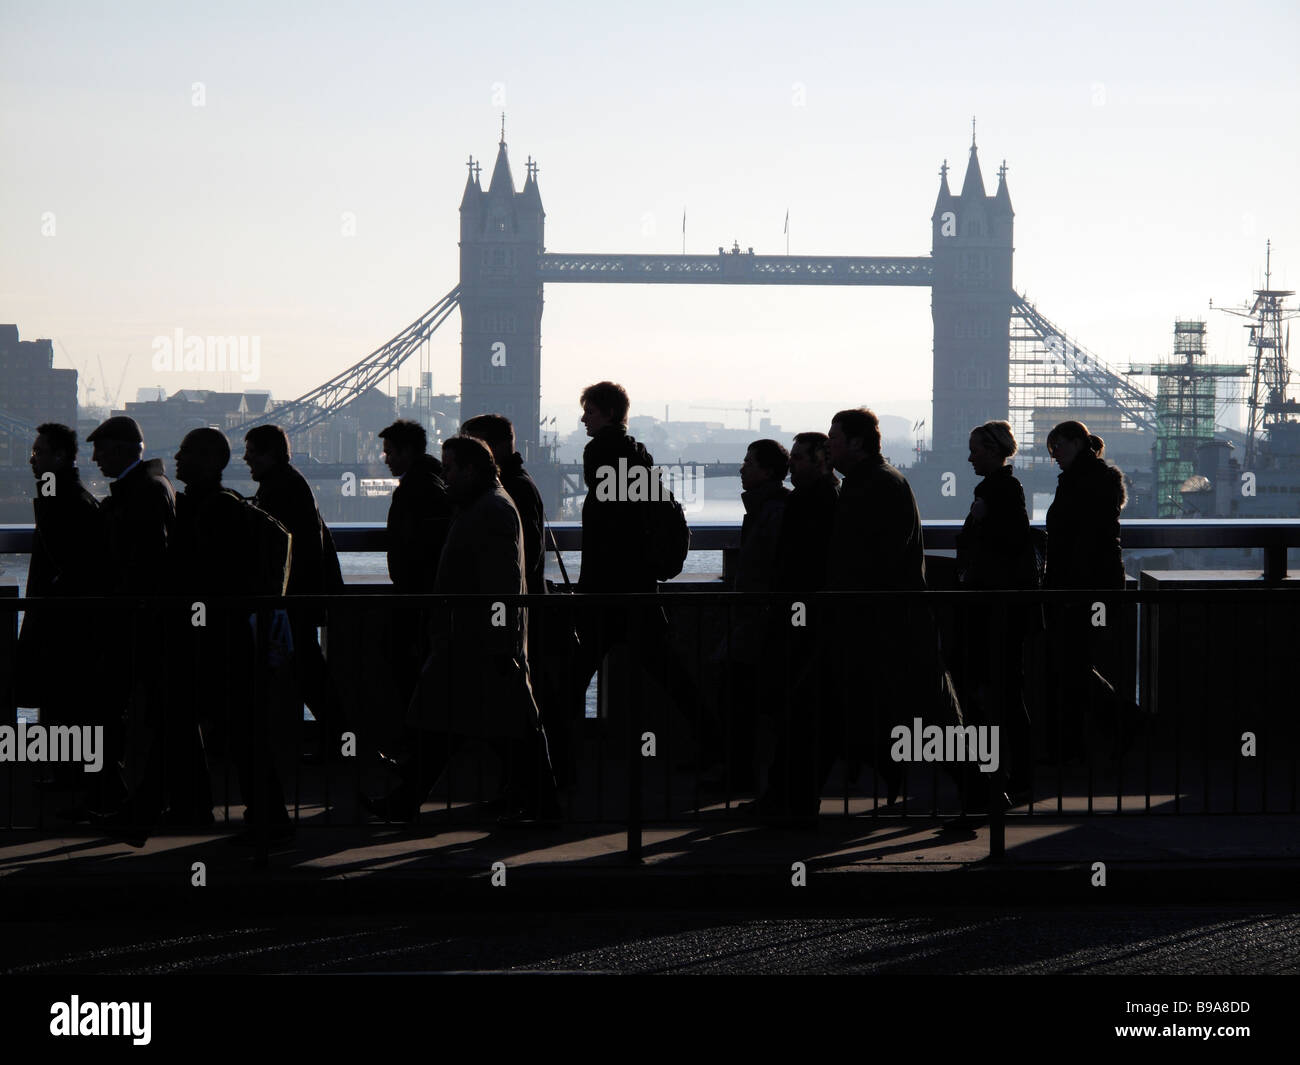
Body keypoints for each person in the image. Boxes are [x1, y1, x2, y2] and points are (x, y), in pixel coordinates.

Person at [365, 435, 560, 823]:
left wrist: (500, 641)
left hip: (479, 641)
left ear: (471, 470)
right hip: (472, 640)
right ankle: (538, 803)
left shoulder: (490, 511)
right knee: (473, 727)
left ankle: (542, 803)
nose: (445, 475)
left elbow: (501, 582)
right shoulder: (484, 504)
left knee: (492, 730)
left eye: (450, 468)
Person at [171, 427, 291, 841]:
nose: (177, 459)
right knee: (242, 733)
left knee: (229, 730)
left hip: (218, 638)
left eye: (185, 452)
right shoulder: (225, 503)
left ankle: (242, 816)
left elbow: (205, 576)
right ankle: (265, 818)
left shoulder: (212, 509)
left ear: (208, 460)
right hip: (233, 635)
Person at [571, 381, 700, 763]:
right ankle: (717, 748)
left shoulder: (603, 452)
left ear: (608, 413)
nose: (583, 419)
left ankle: (550, 767)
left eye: (590, 412)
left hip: (605, 591)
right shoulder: (637, 456)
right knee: (673, 679)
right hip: (637, 590)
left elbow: (610, 528)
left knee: (568, 681)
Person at [79, 415, 179, 832]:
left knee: (112, 709)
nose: (95, 458)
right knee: (145, 715)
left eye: (100, 450)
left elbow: (141, 562)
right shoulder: (151, 488)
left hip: (134, 623)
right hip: (140, 621)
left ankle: (124, 801)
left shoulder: (141, 494)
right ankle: (138, 802)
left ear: (123, 450)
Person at [244, 424, 346, 759]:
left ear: (270, 453)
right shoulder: (290, 483)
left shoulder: (281, 489)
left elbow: (278, 550)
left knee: (309, 678)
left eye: (253, 451)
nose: (246, 458)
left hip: (291, 602)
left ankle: (341, 744)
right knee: (311, 677)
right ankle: (342, 744)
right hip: (299, 601)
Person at [1043, 420, 1138, 759]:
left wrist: (1067, 589)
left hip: (1082, 589)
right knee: (1076, 663)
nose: (1054, 453)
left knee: (1071, 664)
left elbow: (1082, 542)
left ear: (1077, 444)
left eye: (1059, 446)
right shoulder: (1094, 479)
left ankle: (1114, 725)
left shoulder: (1080, 482)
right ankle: (1103, 730)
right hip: (1094, 587)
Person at [954, 420, 1036, 799]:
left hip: (992, 607)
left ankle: (997, 773)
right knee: (1005, 690)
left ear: (991, 451)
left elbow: (1004, 540)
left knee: (994, 690)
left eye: (975, 450)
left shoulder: (997, 491)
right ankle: (1013, 772)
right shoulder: (1005, 488)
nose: (970, 456)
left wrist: (981, 522)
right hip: (1002, 607)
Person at [702, 439, 790, 790]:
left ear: (766, 471)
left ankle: (738, 772)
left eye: (748, 463)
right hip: (758, 619)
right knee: (744, 696)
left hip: (760, 620)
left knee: (737, 695)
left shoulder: (771, 511)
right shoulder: (769, 508)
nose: (741, 468)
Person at [378, 419, 452, 712]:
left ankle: (419, 739)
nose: (386, 460)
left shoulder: (415, 489)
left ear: (407, 452)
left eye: (390, 453)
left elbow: (417, 546)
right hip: (425, 596)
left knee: (410, 666)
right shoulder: (435, 480)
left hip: (418, 597)